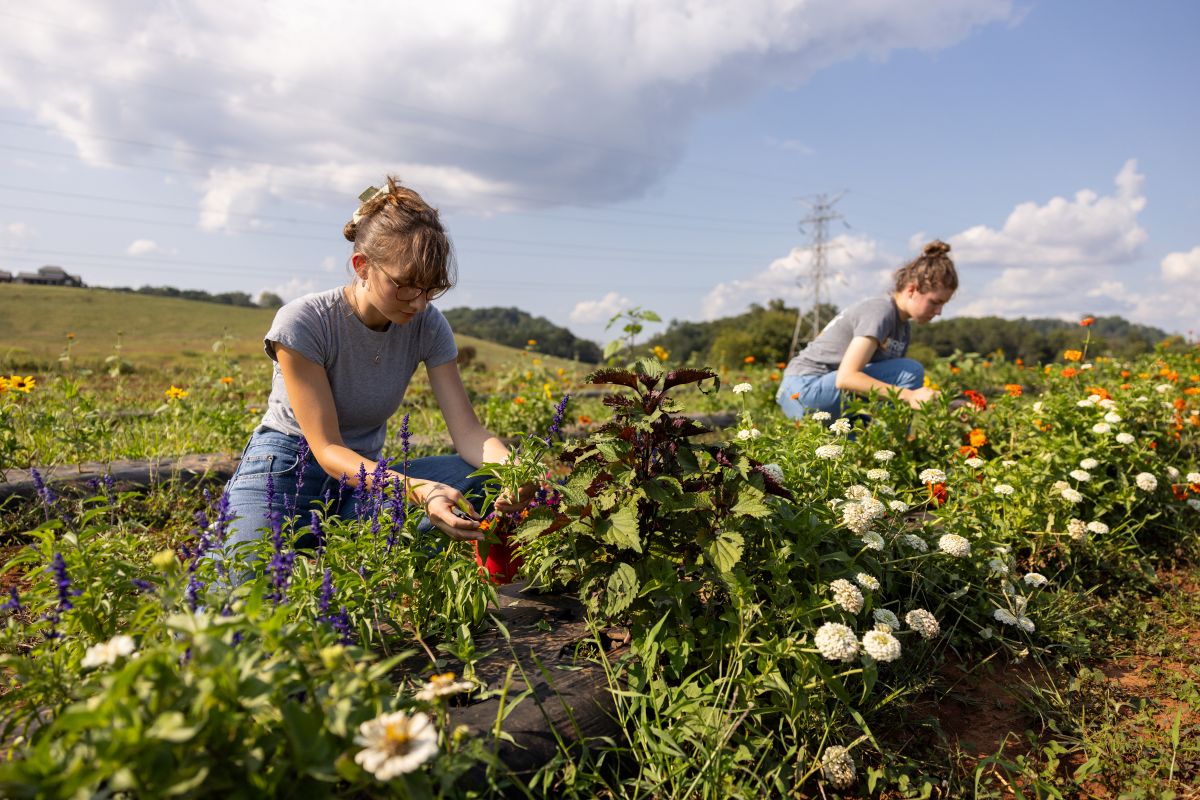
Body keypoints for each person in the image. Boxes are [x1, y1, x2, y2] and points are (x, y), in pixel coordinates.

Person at [219, 176, 529, 573]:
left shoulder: (428, 325)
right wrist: (418, 490)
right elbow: (328, 449)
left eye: (431, 288)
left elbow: (468, 432)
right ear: (361, 266)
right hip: (285, 471)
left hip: (364, 481)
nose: (418, 303)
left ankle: (360, 563)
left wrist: (515, 470)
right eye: (405, 285)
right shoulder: (306, 321)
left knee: (481, 479)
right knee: (241, 594)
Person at [776, 240, 957, 420]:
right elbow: (846, 378)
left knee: (862, 431)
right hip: (805, 386)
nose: (939, 312)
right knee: (911, 371)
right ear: (912, 290)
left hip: (821, 391)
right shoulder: (881, 310)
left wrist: (950, 404)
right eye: (935, 302)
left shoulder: (903, 329)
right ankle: (896, 447)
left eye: (943, 305)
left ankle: (881, 446)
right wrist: (910, 396)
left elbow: (883, 391)